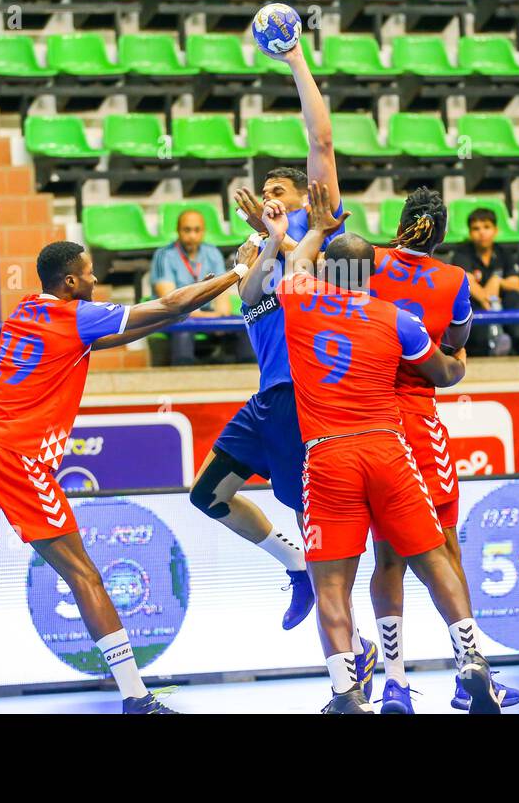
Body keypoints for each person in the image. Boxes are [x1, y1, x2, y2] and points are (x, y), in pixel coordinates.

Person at [0, 241, 248, 715]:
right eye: (88, 274)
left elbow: (158, 318)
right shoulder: (76, 318)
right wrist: (238, 272)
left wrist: (182, 309)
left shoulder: (26, 311)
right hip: (14, 456)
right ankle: (136, 698)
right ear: (70, 283)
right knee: (86, 576)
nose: (95, 281)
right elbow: (168, 304)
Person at [268, 183, 502, 714]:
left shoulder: (301, 302)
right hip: (392, 443)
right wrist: (459, 363)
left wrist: (309, 234)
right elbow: (444, 369)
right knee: (436, 553)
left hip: (329, 455)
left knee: (332, 578)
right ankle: (472, 660)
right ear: (370, 273)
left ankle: (350, 691)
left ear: (327, 269)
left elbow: (292, 267)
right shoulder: (396, 319)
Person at [186, 37, 357, 672]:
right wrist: (263, 247)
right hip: (268, 401)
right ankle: (296, 571)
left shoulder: (322, 231)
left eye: (280, 189)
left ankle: (356, 656)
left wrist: (295, 62)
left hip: (307, 402)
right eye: (265, 192)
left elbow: (323, 144)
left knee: (325, 532)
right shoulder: (248, 257)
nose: (270, 197)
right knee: (206, 494)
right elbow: (259, 287)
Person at [363, 190, 519, 714]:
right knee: (445, 550)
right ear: (441, 233)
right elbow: (454, 351)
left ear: (402, 222)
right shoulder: (454, 280)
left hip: (365, 421)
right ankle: (470, 670)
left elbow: (328, 313)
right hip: (417, 418)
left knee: (387, 556)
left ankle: (392, 682)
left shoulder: (365, 264)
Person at [150, 209, 247, 366]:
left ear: (203, 231)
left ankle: (246, 377)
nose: (192, 236)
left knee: (244, 328)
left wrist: (221, 315)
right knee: (184, 331)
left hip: (206, 312)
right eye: (187, 230)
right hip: (175, 315)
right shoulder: (164, 255)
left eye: (197, 230)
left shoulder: (212, 252)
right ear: (178, 230)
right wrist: (211, 317)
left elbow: (222, 298)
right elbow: (172, 303)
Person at [451, 208, 519, 357]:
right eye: (476, 229)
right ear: (470, 233)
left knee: (515, 298)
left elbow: (516, 284)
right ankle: (491, 347)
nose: (482, 233)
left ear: (496, 230)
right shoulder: (462, 253)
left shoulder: (504, 252)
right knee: (471, 304)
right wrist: (488, 299)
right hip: (479, 304)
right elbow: (468, 283)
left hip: (501, 301)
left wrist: (497, 281)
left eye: (486, 227)